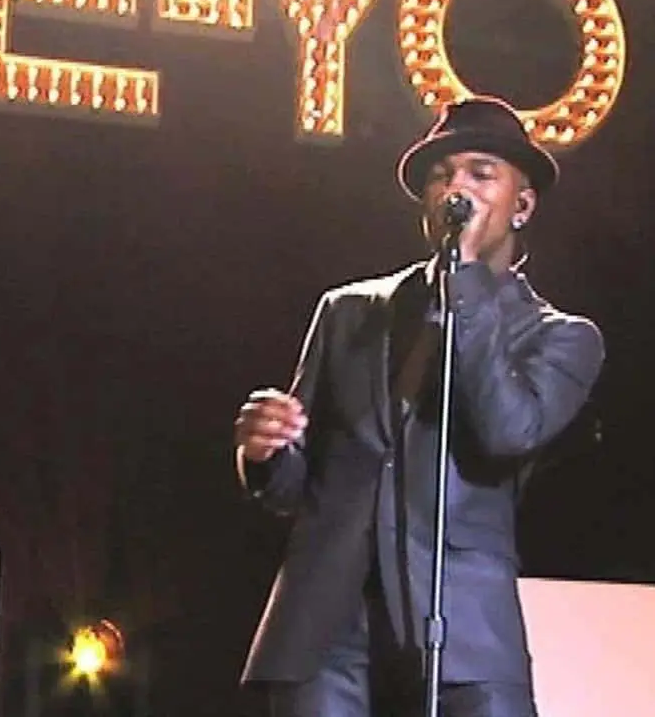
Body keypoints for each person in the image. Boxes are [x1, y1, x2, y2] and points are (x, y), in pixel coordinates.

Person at [232, 96, 607, 717]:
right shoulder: (349, 312)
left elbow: (508, 430)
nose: (456, 188)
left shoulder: (561, 337)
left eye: (481, 174)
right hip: (328, 632)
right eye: (441, 175)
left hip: (464, 634)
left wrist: (466, 283)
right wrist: (267, 453)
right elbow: (298, 487)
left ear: (522, 204)